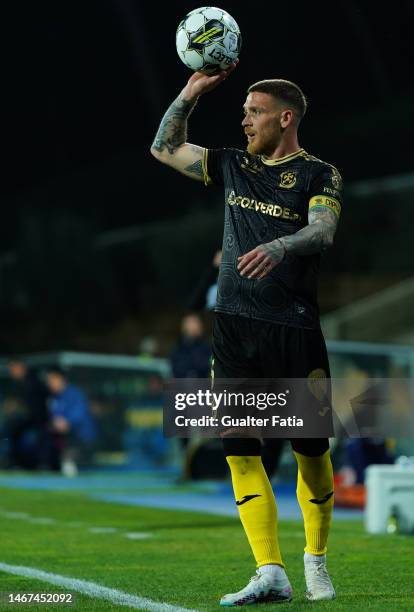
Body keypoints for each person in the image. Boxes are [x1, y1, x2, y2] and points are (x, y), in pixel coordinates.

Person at [151, 66, 342, 604]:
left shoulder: (319, 174)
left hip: (293, 329)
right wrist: (189, 92)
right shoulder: (234, 165)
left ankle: (316, 559)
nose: (245, 120)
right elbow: (165, 148)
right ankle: (270, 571)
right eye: (243, 112)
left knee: (310, 450)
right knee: (239, 448)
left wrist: (281, 247)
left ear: (285, 118)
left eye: (254, 112)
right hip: (233, 329)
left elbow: (324, 229)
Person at [46, 367, 97, 476]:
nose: (50, 384)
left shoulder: (74, 394)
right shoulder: (54, 398)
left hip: (82, 437)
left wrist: (67, 422)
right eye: (49, 381)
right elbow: (55, 417)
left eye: (52, 380)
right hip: (67, 439)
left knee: (69, 461)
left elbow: (79, 413)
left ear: (62, 379)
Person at [5, 360, 49, 469]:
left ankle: (35, 465)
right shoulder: (18, 384)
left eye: (14, 369)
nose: (12, 372)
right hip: (27, 423)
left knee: (32, 443)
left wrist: (17, 408)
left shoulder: (32, 382)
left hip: (37, 422)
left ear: (22, 368)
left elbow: (33, 407)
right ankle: (17, 463)